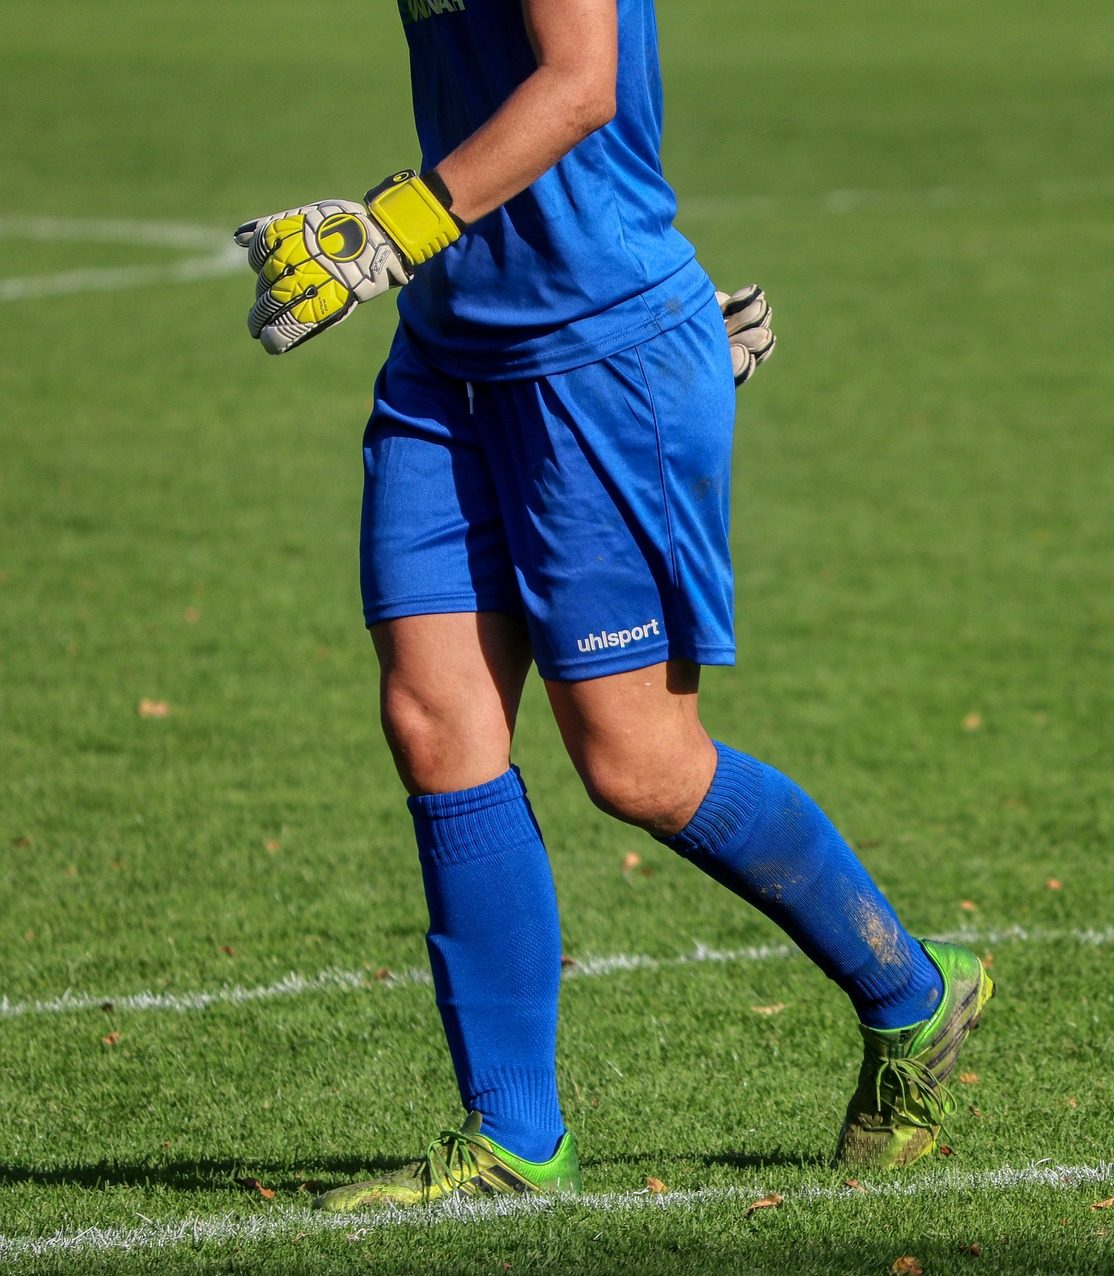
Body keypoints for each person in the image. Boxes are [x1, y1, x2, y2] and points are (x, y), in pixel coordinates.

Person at [235, 0, 992, 1211]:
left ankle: (910, 992)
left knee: (639, 766)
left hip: (595, 355)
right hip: (445, 355)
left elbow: (582, 80)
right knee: (433, 721)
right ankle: (513, 1137)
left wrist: (396, 229)